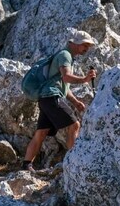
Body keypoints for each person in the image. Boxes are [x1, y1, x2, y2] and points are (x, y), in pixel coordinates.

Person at [21, 30, 97, 171]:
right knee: (75, 125)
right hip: (51, 97)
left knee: (41, 132)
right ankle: (73, 163)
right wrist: (85, 79)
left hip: (45, 98)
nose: (86, 48)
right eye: (85, 45)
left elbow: (63, 84)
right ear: (75, 43)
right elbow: (67, 77)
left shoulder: (66, 56)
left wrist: (75, 102)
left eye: (88, 46)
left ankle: (26, 165)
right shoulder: (65, 55)